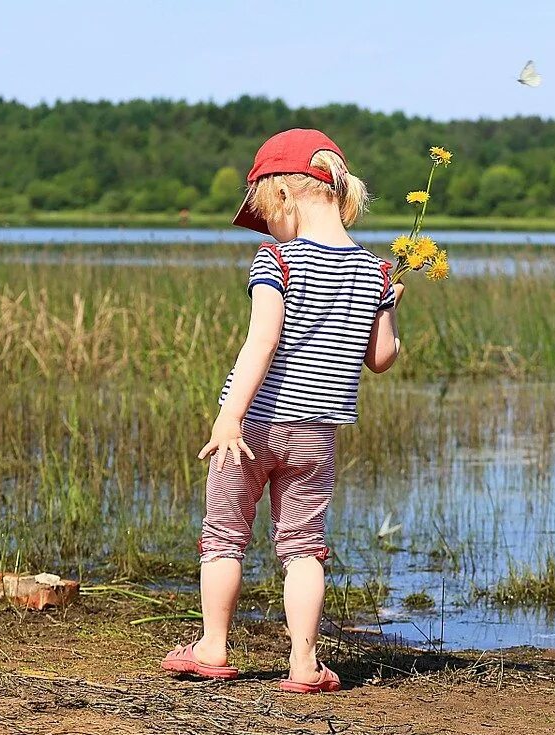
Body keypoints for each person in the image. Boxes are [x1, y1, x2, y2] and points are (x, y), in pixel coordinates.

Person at [161, 129, 402, 692]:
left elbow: (261, 342)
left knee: (223, 536)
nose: (265, 226)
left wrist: (229, 417)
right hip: (316, 434)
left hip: (250, 427)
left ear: (285, 198)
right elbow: (383, 358)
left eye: (265, 213)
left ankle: (213, 647)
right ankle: (302, 661)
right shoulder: (376, 270)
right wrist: (389, 303)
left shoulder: (276, 258)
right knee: (302, 547)